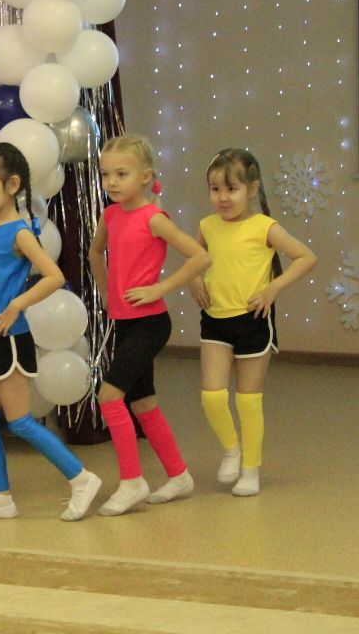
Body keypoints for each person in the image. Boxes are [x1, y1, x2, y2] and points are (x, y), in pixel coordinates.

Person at [0, 143, 103, 522]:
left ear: (12, 185)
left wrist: (16, 306)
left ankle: (81, 478)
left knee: (19, 420)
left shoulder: (19, 233)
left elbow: (53, 276)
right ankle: (0, 497)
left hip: (8, 338)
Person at [89, 134, 210, 516]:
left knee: (110, 396)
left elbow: (199, 257)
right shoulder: (110, 215)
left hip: (150, 324)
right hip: (125, 322)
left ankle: (132, 481)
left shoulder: (154, 218)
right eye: (106, 174)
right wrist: (106, 290)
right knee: (143, 402)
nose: (111, 182)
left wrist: (160, 288)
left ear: (145, 176)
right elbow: (95, 251)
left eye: (121, 174)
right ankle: (178, 474)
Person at [190, 148, 317, 497]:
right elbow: (194, 258)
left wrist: (273, 288)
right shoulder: (207, 226)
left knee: (248, 401)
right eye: (215, 189)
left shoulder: (264, 227)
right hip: (215, 321)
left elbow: (306, 257)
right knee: (212, 396)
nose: (223, 197)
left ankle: (250, 469)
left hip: (253, 321)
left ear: (252, 188)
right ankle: (231, 449)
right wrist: (195, 279)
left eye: (232, 189)